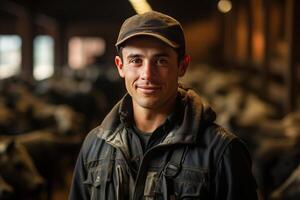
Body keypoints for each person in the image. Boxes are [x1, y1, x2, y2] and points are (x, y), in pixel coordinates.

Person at [69, 11, 258, 200]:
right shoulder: (94, 145)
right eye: (136, 60)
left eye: (161, 61)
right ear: (120, 66)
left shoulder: (221, 152)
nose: (147, 74)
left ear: (182, 66)